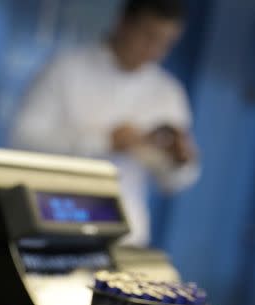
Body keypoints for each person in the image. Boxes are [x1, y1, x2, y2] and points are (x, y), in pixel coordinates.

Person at [10, 0, 199, 247]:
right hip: (54, 226)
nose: (154, 51)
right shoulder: (66, 70)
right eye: (148, 36)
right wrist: (105, 141)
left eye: (165, 43)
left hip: (126, 238)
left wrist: (180, 162)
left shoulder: (168, 93)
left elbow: (174, 183)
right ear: (124, 23)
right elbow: (22, 138)